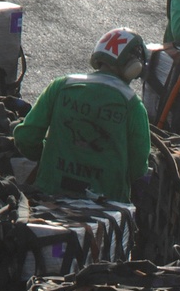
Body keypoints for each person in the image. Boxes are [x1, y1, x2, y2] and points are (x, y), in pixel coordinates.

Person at [12, 28, 151, 203]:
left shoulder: (61, 85)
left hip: (49, 195)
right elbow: (138, 168)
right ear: (133, 68)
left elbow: (25, 137)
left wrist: (50, 160)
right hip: (107, 207)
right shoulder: (133, 106)